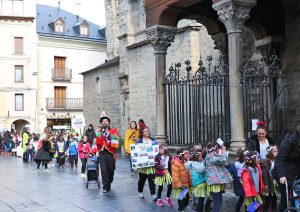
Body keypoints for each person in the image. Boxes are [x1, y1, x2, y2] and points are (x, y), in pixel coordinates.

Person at [272, 124, 300, 211]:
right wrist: (282, 175)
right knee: (285, 196)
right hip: (284, 171)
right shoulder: (289, 140)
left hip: (296, 170)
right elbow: (279, 159)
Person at [95, 111, 120, 193]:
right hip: (102, 153)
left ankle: (109, 181)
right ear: (101, 123)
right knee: (103, 170)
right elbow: (98, 143)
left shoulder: (114, 130)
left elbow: (116, 143)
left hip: (110, 153)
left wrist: (109, 135)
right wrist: (98, 134)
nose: (104, 122)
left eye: (106, 121)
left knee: (111, 170)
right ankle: (105, 186)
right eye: (103, 121)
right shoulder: (99, 131)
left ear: (108, 122)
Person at [205, 142, 232, 212]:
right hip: (214, 182)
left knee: (219, 201)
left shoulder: (213, 155)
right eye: (218, 148)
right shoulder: (210, 156)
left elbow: (225, 162)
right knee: (217, 202)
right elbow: (222, 159)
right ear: (215, 148)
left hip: (217, 181)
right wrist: (223, 150)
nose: (218, 149)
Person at [135, 127, 158, 200]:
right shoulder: (139, 141)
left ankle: (153, 194)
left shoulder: (153, 140)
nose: (147, 132)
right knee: (142, 179)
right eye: (145, 131)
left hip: (151, 164)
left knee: (152, 179)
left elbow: (156, 150)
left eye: (148, 131)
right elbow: (136, 152)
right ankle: (140, 191)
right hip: (143, 165)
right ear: (142, 133)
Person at [185, 146, 207, 212]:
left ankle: (194, 205)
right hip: (197, 183)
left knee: (200, 199)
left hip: (199, 183)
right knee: (199, 200)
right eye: (200, 156)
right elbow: (201, 169)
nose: (202, 157)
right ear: (197, 156)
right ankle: (182, 207)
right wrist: (204, 161)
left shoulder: (196, 163)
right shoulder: (193, 163)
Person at [172, 147, 192, 212]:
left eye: (188, 154)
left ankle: (183, 207)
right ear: (181, 155)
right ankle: (181, 209)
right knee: (181, 197)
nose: (188, 155)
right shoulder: (176, 163)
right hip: (181, 185)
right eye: (186, 154)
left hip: (186, 184)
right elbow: (175, 176)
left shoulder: (186, 162)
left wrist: (190, 183)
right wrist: (179, 184)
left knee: (187, 198)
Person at [261, 145, 279, 212]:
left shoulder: (277, 161)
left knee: (275, 198)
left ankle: (274, 209)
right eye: (274, 151)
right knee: (268, 200)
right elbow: (264, 174)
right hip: (269, 183)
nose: (276, 152)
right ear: (270, 152)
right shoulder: (266, 161)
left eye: (277, 151)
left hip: (276, 183)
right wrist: (266, 185)